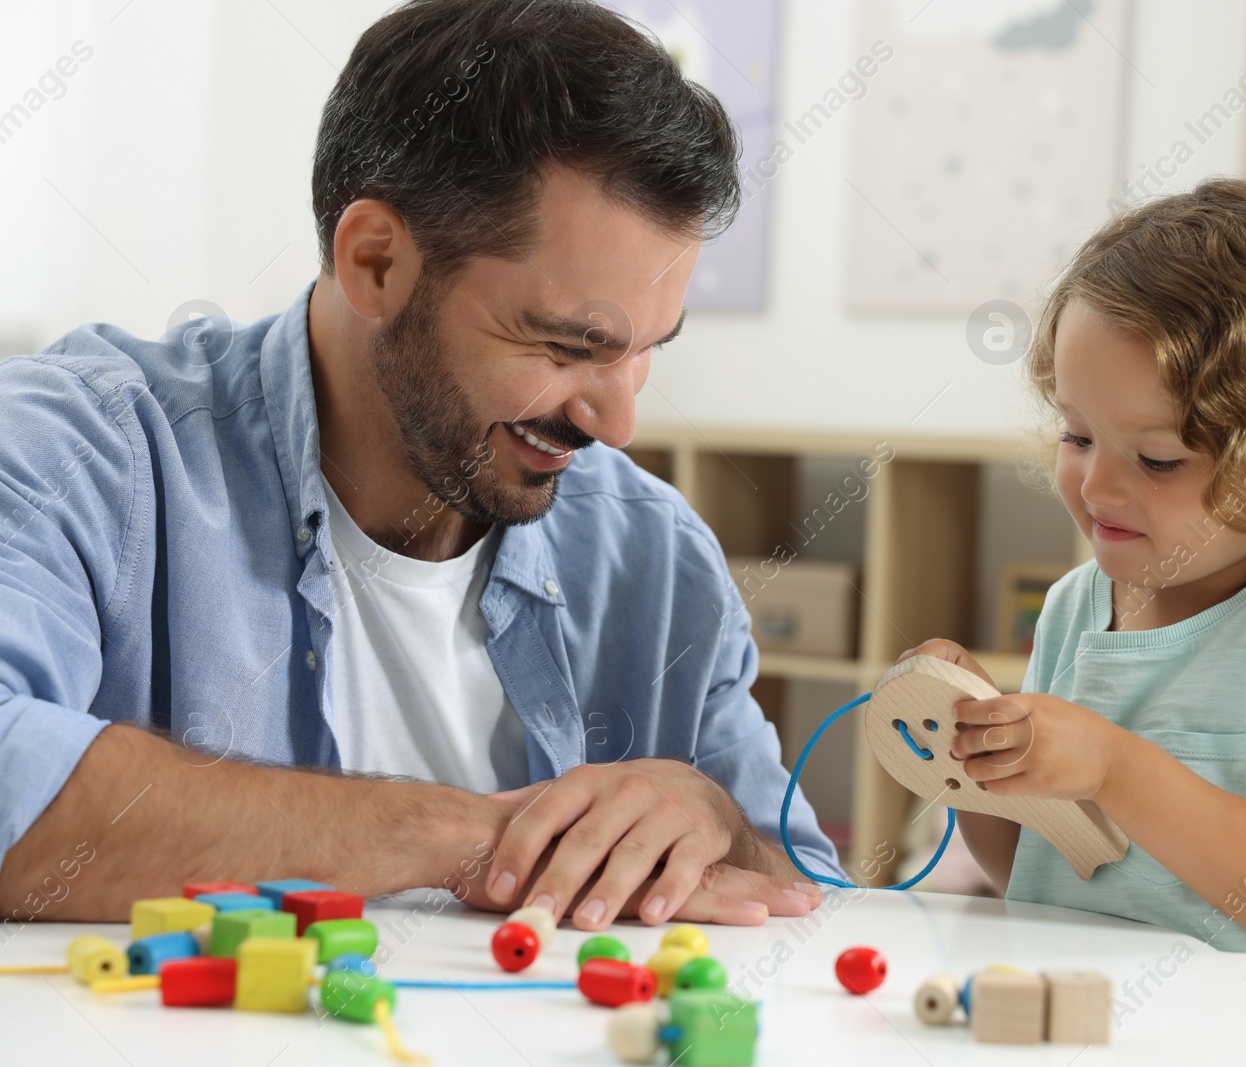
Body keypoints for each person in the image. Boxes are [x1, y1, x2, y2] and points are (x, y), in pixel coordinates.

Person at [0, 0, 840, 932]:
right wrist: (456, 834)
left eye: (648, 349)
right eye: (568, 346)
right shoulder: (83, 449)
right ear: (375, 262)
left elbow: (809, 895)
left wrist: (715, 821)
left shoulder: (652, 552)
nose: (620, 419)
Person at [904, 177, 1246, 960]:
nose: (1097, 484)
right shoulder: (1076, 606)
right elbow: (1032, 868)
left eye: (1158, 458)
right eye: (1076, 435)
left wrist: (1112, 767)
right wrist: (974, 745)